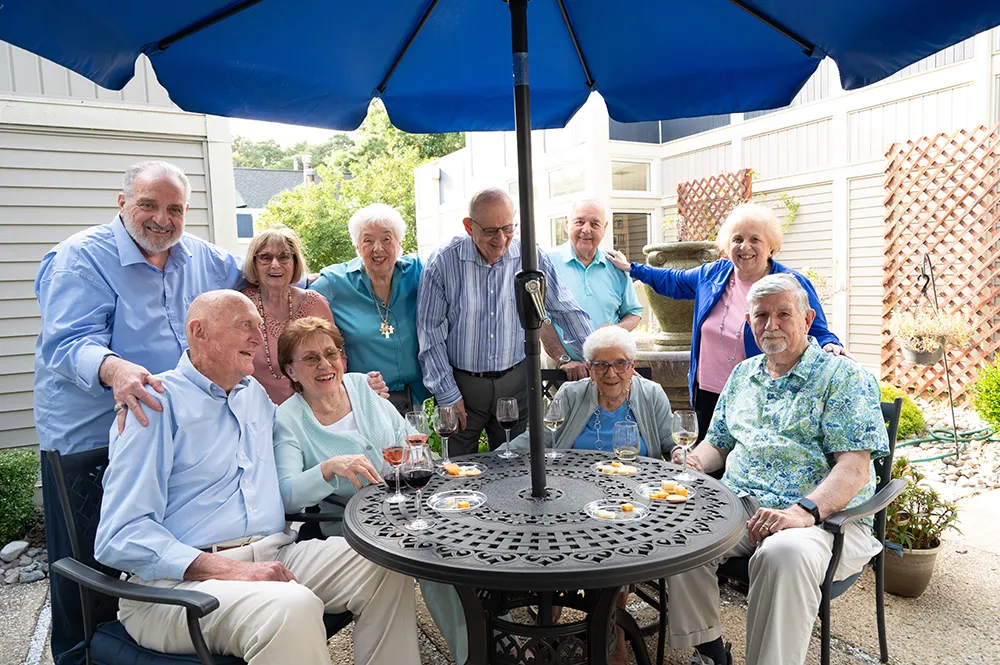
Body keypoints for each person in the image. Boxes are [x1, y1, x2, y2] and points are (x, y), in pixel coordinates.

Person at [94, 291, 420, 665]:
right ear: (199, 332)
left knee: (386, 561)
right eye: (244, 326)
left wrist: (359, 389)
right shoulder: (153, 405)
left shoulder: (256, 399)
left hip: (274, 554)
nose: (258, 337)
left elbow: (311, 416)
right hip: (177, 587)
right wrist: (232, 569)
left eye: (259, 327)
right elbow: (120, 536)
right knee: (293, 607)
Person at [33, 160, 248, 659]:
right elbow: (66, 344)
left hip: (169, 435)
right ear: (123, 203)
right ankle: (81, 656)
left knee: (154, 547)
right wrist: (115, 370)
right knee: (90, 567)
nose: (161, 219)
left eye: (174, 208)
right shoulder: (79, 258)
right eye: (148, 205)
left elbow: (259, 278)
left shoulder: (205, 260)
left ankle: (150, 645)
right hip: (89, 440)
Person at [662, 274, 889, 665]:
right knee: (679, 534)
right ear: (749, 323)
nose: (771, 325)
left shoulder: (843, 378)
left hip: (821, 519)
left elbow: (854, 469)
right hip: (742, 506)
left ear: (807, 319)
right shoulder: (743, 375)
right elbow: (718, 442)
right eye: (761, 315)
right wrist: (696, 460)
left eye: (783, 314)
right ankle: (711, 653)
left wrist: (802, 512)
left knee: (781, 554)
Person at [271, 316, 468, 665]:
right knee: (434, 553)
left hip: (409, 504)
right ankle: (473, 654)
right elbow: (285, 495)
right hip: (353, 525)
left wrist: (429, 459)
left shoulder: (361, 387)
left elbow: (404, 439)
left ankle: (485, 642)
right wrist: (327, 469)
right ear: (290, 370)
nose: (325, 364)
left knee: (465, 538)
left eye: (331, 353)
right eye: (310, 358)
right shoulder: (288, 419)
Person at [606, 202, 850, 441]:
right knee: (706, 463)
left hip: (759, 394)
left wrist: (830, 344)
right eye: (737, 239)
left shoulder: (789, 283)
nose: (745, 247)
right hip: (707, 392)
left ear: (770, 247)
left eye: (755, 239)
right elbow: (673, 280)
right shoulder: (713, 273)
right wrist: (632, 268)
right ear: (727, 244)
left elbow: (815, 328)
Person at [416, 187, 595, 456]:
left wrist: (600, 357)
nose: (501, 239)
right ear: (469, 227)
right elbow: (430, 334)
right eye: (490, 231)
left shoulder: (531, 257)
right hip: (462, 386)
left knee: (514, 466)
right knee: (457, 469)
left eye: (508, 228)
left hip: (515, 383)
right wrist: (447, 393)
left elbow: (566, 310)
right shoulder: (443, 261)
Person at [240, 227, 387, 404]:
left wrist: (362, 386)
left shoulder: (314, 303)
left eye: (284, 256)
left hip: (315, 410)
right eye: (265, 257)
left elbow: (337, 358)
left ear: (295, 262)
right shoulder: (242, 306)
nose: (275, 264)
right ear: (254, 263)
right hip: (256, 413)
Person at [309, 203, 426, 415]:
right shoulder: (335, 284)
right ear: (356, 247)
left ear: (399, 244)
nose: (378, 248)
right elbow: (299, 299)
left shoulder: (418, 271)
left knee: (416, 448)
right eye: (368, 240)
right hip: (364, 404)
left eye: (386, 239)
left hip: (417, 403)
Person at [508, 326, 674, 459]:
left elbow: (671, 441)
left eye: (620, 363)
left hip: (637, 487)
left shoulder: (652, 393)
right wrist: (496, 456)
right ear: (589, 368)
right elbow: (539, 439)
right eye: (601, 365)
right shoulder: (571, 394)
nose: (611, 374)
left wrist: (678, 453)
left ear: (632, 366)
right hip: (576, 486)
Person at [541, 197, 643, 381]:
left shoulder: (616, 266)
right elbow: (540, 318)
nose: (586, 230)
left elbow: (634, 313)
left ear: (604, 228)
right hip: (567, 370)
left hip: (611, 371)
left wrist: (616, 329)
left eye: (595, 224)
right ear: (566, 224)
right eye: (579, 222)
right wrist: (563, 360)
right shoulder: (546, 262)